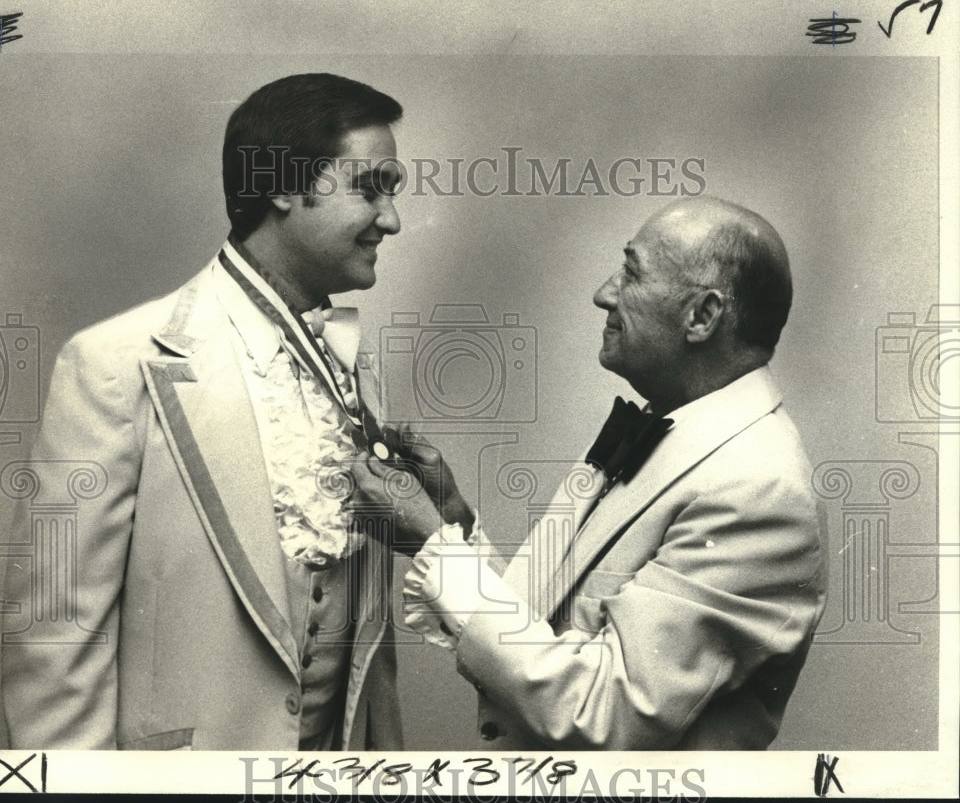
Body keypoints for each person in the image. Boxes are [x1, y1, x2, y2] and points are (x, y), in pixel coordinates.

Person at [1, 73, 405, 750]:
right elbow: (54, 641)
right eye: (371, 187)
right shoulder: (110, 363)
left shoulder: (356, 371)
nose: (391, 219)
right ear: (280, 184)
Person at [349, 196, 827, 750]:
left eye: (630, 272)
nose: (604, 294)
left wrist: (434, 545)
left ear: (702, 316)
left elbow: (605, 712)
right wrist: (452, 524)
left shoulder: (758, 489)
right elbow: (556, 630)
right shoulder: (672, 423)